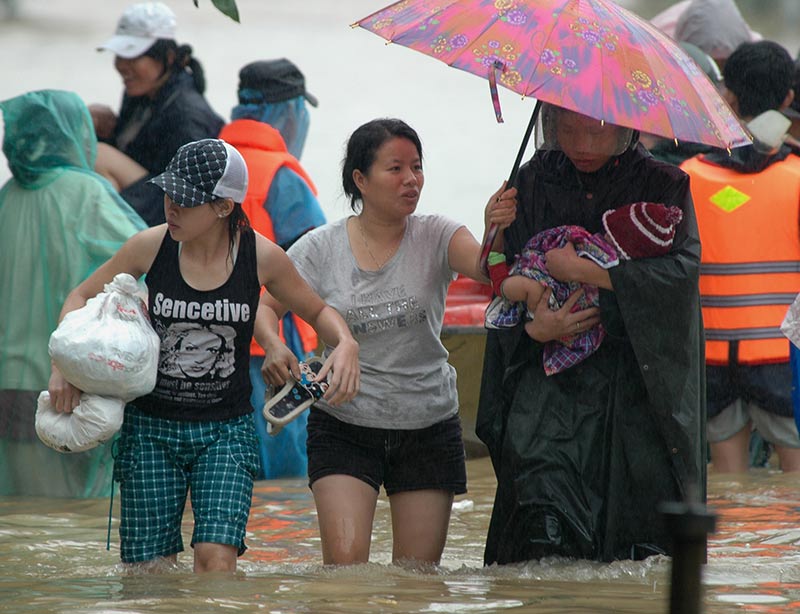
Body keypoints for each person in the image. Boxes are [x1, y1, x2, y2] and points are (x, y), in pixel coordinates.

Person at [47, 138, 360, 572]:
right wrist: (62, 367)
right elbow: (80, 296)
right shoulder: (150, 246)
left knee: (216, 560)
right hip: (150, 430)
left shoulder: (261, 257)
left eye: (185, 199)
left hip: (225, 433)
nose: (171, 207)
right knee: (148, 572)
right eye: (168, 193)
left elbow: (318, 311)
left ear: (223, 207)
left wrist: (345, 343)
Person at [259, 118, 517, 566]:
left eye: (417, 167)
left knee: (417, 579)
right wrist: (275, 345)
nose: (411, 179)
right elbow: (266, 306)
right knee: (344, 573)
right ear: (360, 179)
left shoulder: (438, 234)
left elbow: (485, 269)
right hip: (343, 422)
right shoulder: (320, 247)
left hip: (426, 423)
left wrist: (495, 228)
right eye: (395, 168)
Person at [477, 103, 705, 564]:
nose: (581, 145)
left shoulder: (665, 184)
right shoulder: (533, 179)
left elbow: (679, 277)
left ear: (625, 128)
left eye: (596, 133)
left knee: (634, 528)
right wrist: (494, 231)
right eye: (568, 129)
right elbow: (506, 273)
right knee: (540, 509)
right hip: (547, 381)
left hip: (633, 379)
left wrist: (589, 273)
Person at [0, 89, 147, 497]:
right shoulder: (87, 193)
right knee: (88, 505)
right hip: (70, 379)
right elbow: (146, 261)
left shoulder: (5, 200)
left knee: (24, 507)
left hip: (7, 385)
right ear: (73, 133)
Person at [680, 41, 800, 474]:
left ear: (727, 97)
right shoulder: (797, 175)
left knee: (729, 485)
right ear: (788, 98)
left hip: (712, 358)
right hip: (784, 359)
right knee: (795, 483)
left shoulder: (689, 176)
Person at [218, 58, 326, 479]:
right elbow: (318, 258)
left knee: (224, 458)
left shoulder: (207, 164)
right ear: (290, 111)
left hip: (205, 336)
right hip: (272, 341)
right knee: (282, 458)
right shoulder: (280, 177)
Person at [486, 202, 684, 375]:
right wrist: (534, 331)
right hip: (555, 305)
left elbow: (665, 284)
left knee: (529, 288)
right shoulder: (600, 250)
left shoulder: (609, 260)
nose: (604, 236)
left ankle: (501, 283)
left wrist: (579, 270)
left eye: (610, 234)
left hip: (566, 308)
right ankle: (505, 283)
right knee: (529, 288)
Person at [90, 1, 225, 226]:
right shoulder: (140, 93)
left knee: (98, 155)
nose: (122, 65)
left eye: (132, 56)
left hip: (168, 211)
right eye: (119, 55)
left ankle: (109, 235)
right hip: (149, 196)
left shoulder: (186, 115)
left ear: (168, 57)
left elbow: (190, 196)